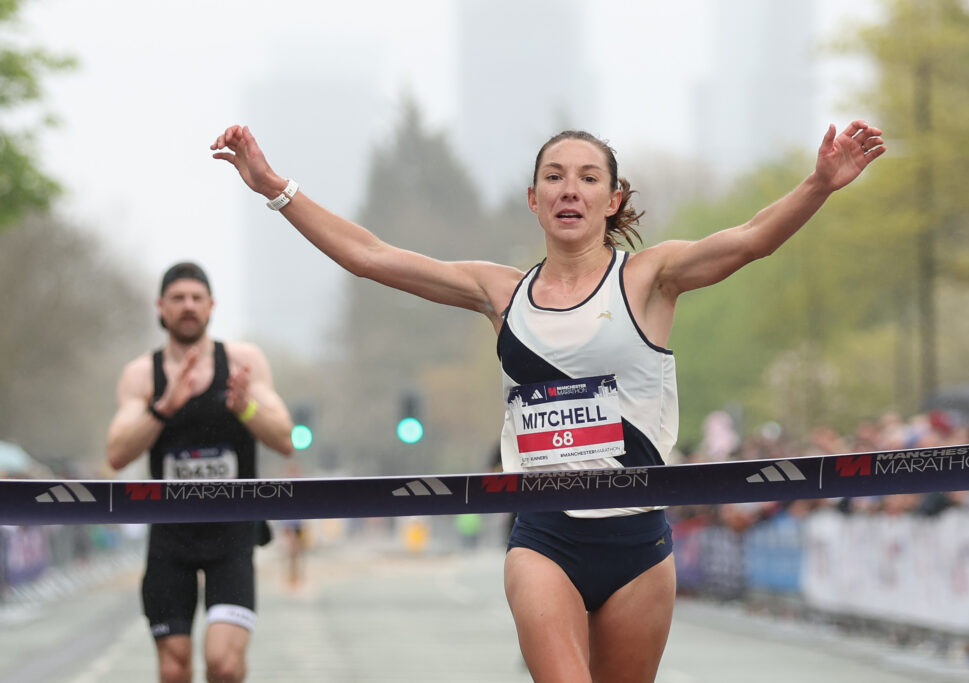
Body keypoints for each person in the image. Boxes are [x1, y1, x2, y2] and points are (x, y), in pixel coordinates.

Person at [211, 119, 885, 682]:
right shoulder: (499, 292)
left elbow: (751, 239)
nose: (570, 189)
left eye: (588, 178)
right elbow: (370, 255)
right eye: (555, 177)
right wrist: (275, 188)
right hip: (545, 537)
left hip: (638, 542)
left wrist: (819, 184)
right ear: (534, 199)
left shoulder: (650, 278)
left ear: (613, 199)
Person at [106, 261, 295, 683]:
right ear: (161, 307)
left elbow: (285, 439)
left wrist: (245, 407)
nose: (188, 306)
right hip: (170, 538)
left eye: (196, 298)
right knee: (173, 670)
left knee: (223, 666)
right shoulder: (142, 374)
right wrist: (163, 408)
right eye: (178, 298)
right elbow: (117, 453)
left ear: (212, 306)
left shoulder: (243, 361)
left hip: (232, 534)